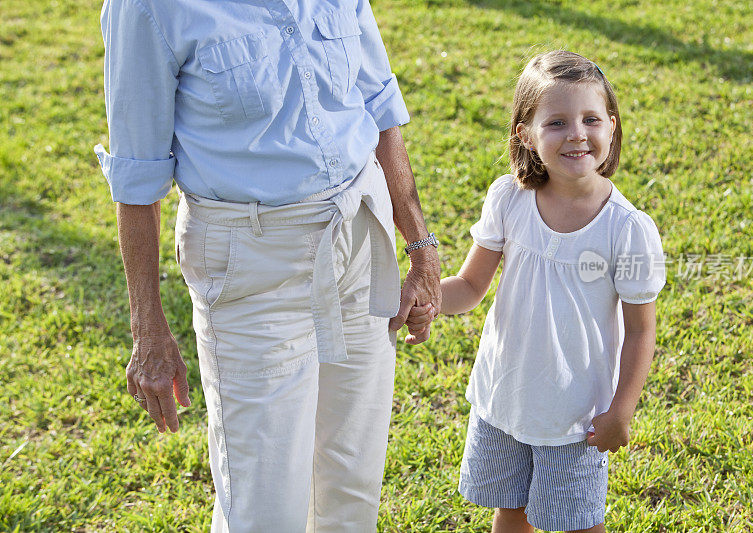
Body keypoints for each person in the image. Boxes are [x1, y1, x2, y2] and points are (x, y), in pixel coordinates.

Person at [92, 0, 440, 531]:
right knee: (264, 507)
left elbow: (378, 102)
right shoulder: (149, 7)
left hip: (359, 244)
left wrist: (419, 243)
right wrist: (147, 327)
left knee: (351, 486)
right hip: (252, 271)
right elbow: (137, 176)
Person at [408, 50, 666, 532]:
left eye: (591, 119)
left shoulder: (628, 230)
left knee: (578, 523)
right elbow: (469, 285)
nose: (577, 134)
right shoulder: (510, 199)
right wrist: (428, 300)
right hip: (506, 398)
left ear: (611, 126)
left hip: (577, 416)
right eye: (557, 122)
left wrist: (621, 410)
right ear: (525, 134)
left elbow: (639, 331)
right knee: (510, 509)